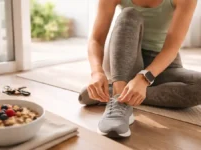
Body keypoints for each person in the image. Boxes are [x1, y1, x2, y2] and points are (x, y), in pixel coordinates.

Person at [79, 0, 199, 138]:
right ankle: (120, 102)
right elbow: (96, 39)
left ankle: (111, 92)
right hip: (124, 56)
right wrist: (97, 73)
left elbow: (171, 48)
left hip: (162, 62)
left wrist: (144, 79)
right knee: (129, 14)